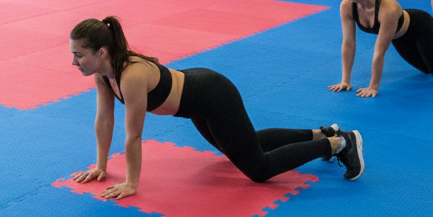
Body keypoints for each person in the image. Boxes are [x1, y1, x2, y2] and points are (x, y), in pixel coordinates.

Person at [69, 16, 363, 201]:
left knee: (258, 169)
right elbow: (104, 119)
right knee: (240, 146)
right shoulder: (103, 75)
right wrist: (101, 166)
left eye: (79, 55)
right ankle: (321, 133)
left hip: (213, 95)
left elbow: (133, 136)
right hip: (196, 102)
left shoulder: (130, 74)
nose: (74, 62)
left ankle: (339, 143)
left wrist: (132, 183)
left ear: (102, 52)